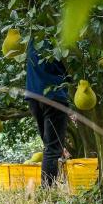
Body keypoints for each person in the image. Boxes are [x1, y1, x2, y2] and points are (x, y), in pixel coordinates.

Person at [25, 38, 70, 187]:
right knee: (52, 148)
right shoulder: (57, 37)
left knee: (50, 146)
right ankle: (48, 189)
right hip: (54, 96)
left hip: (33, 97)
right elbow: (70, 66)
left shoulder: (32, 39)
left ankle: (49, 187)